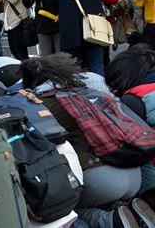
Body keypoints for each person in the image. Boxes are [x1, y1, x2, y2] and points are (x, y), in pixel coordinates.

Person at [19, 53, 155, 228]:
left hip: (100, 180)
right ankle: (128, 211)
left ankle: (111, 221)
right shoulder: (95, 93)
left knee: (62, 209)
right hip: (134, 173)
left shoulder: (40, 105)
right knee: (106, 199)